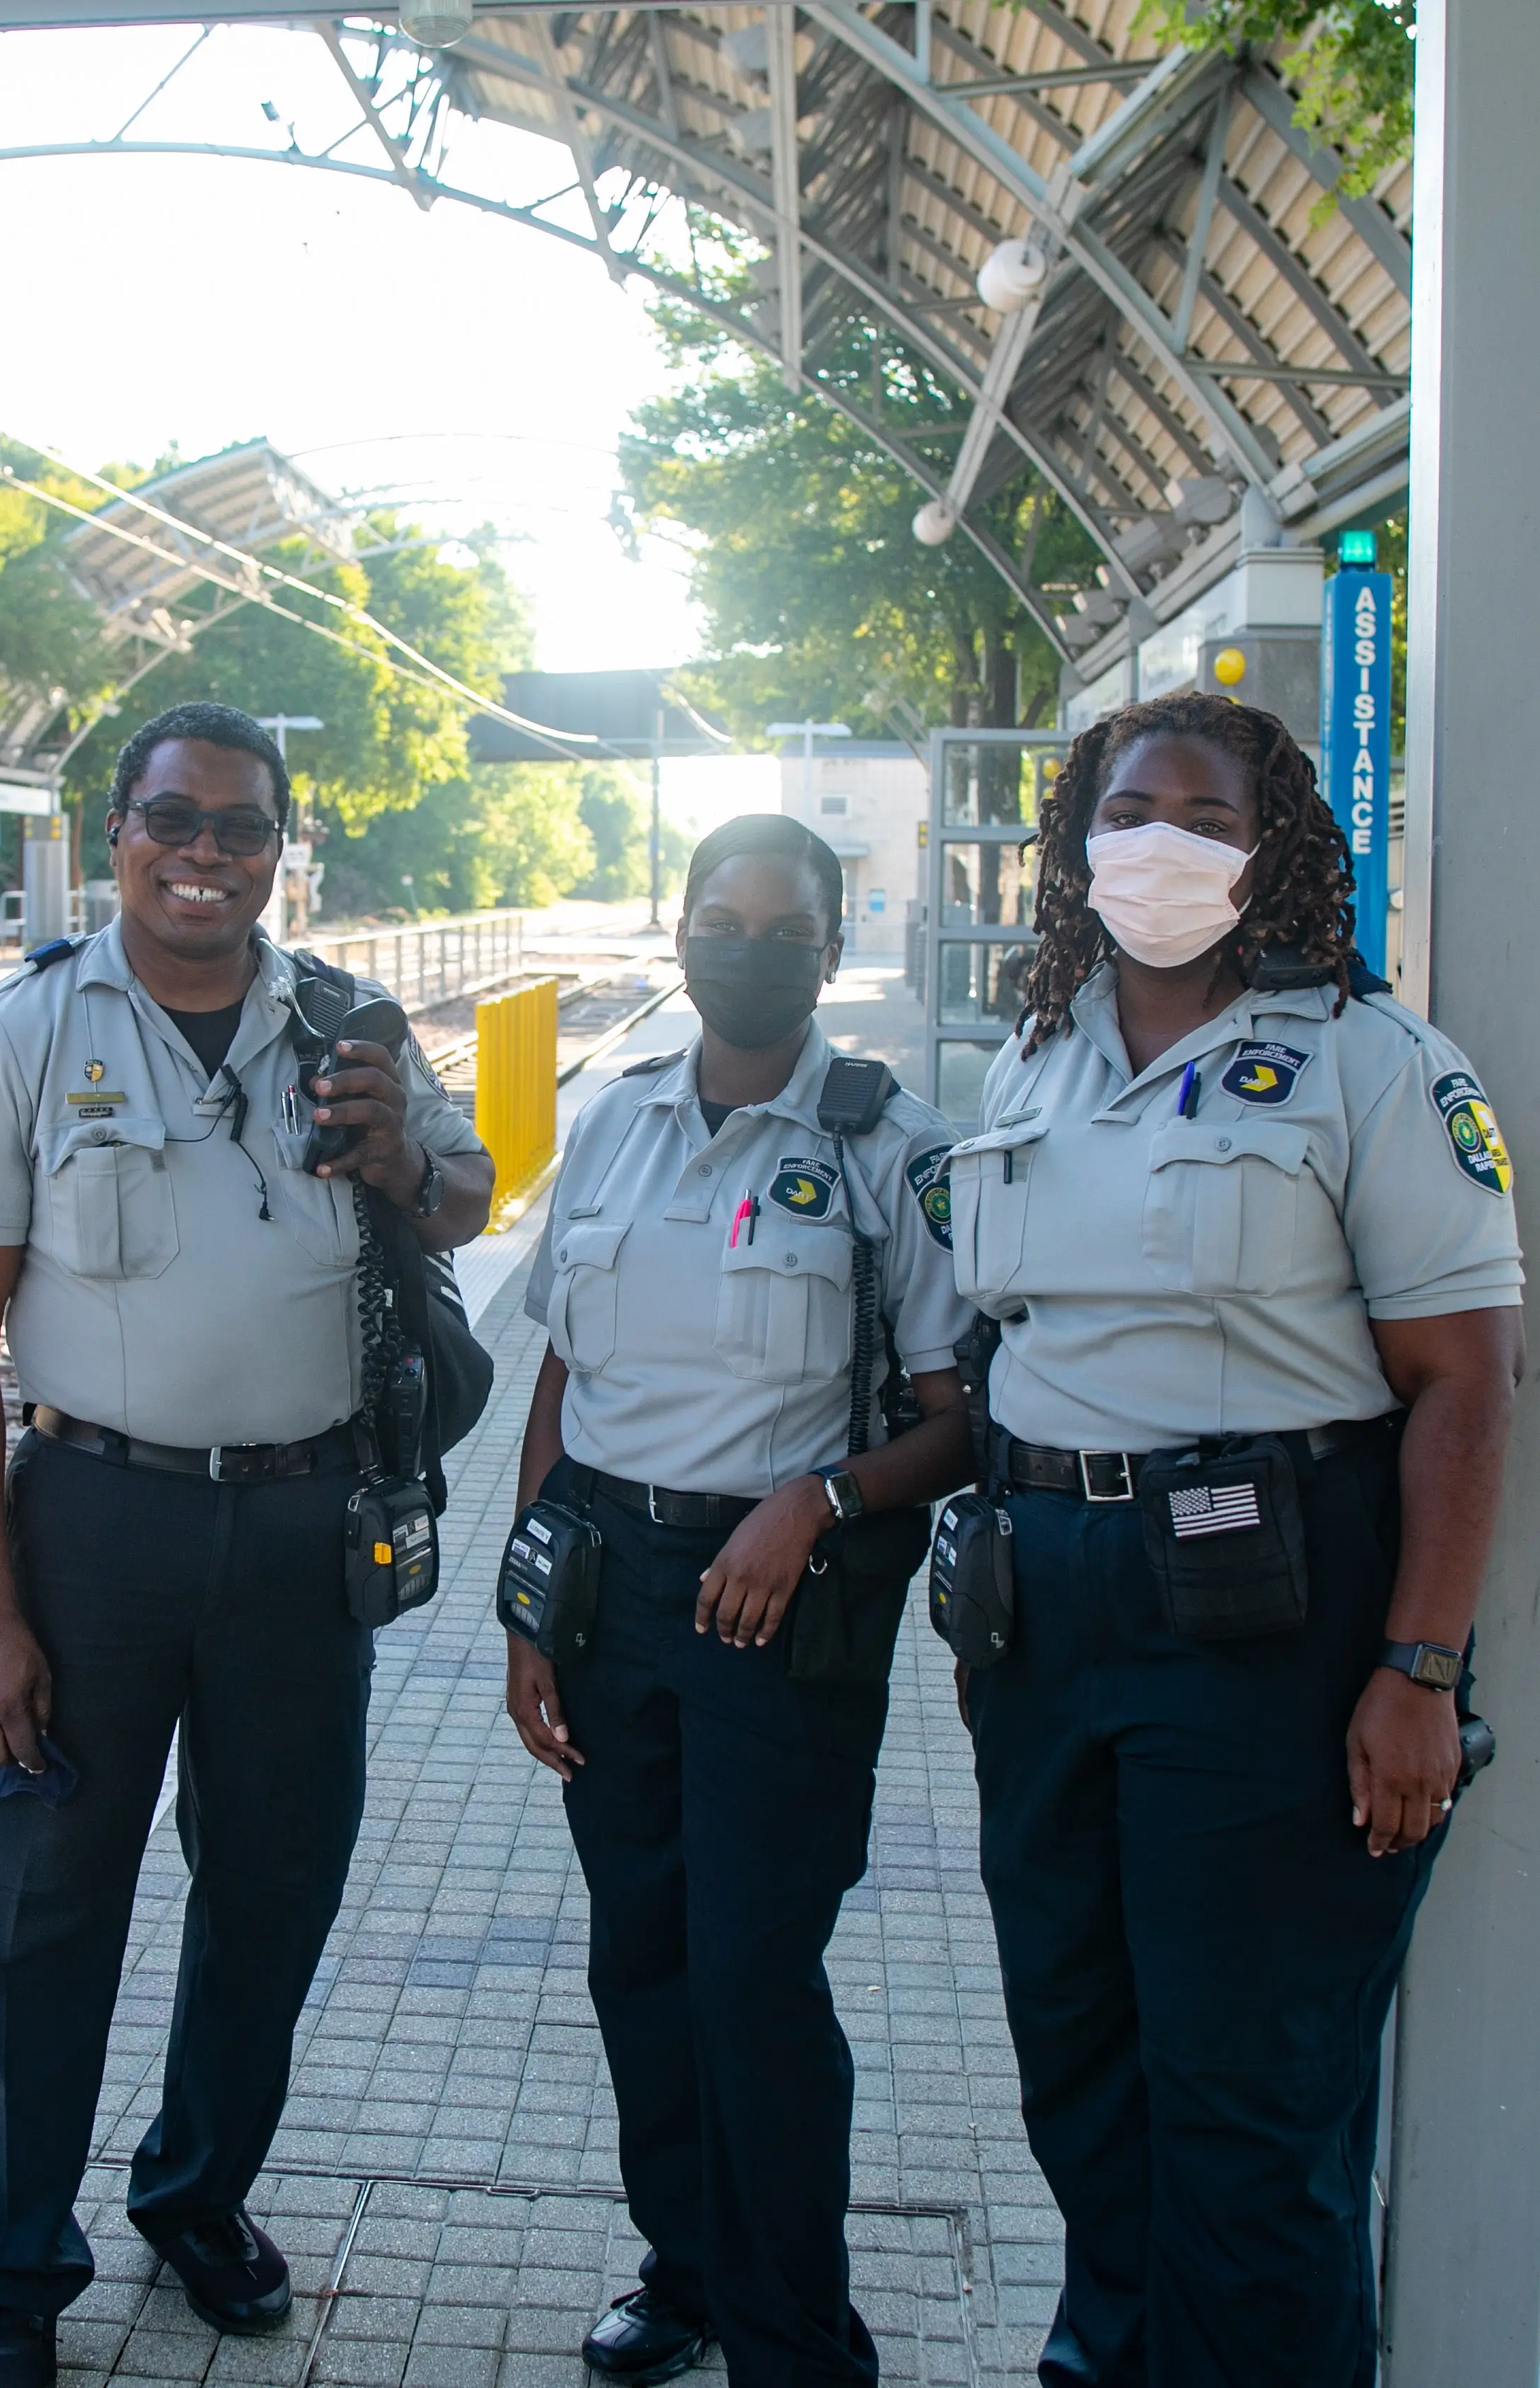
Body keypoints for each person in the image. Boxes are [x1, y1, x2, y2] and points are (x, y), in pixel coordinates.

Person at [0, 701, 497, 2388]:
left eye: (242, 828)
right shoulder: (28, 1032)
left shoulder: (348, 1016)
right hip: (96, 1521)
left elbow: (466, 1201)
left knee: (275, 1892)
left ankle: (197, 2191)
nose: (205, 853)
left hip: (310, 1526)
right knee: (39, 1915)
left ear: (279, 848)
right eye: (174, 818)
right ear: (118, 833)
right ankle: (9, 2278)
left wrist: (401, 1158)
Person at [947, 691, 1524, 2384]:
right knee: (1079, 2040)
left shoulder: (1369, 1062)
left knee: (1251, 2092)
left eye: (1206, 816)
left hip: (1269, 1611)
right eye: (1130, 810)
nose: (1161, 845)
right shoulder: (1033, 1055)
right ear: (1078, 838)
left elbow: (1467, 1388)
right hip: (1052, 1616)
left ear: (1270, 848)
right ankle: (1111, 2352)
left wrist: (1420, 1664)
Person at [503, 814, 977, 2388]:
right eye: (724, 917)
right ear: (684, 930)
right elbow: (564, 1367)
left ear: (831, 953)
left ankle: (794, 2339)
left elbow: (959, 1412)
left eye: (786, 928)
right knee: (641, 1953)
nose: (750, 946)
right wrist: (528, 1600)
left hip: (778, 1607)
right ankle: (688, 2270)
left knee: (757, 1977)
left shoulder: (891, 1147)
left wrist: (818, 1499)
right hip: (609, 1590)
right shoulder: (618, 1119)